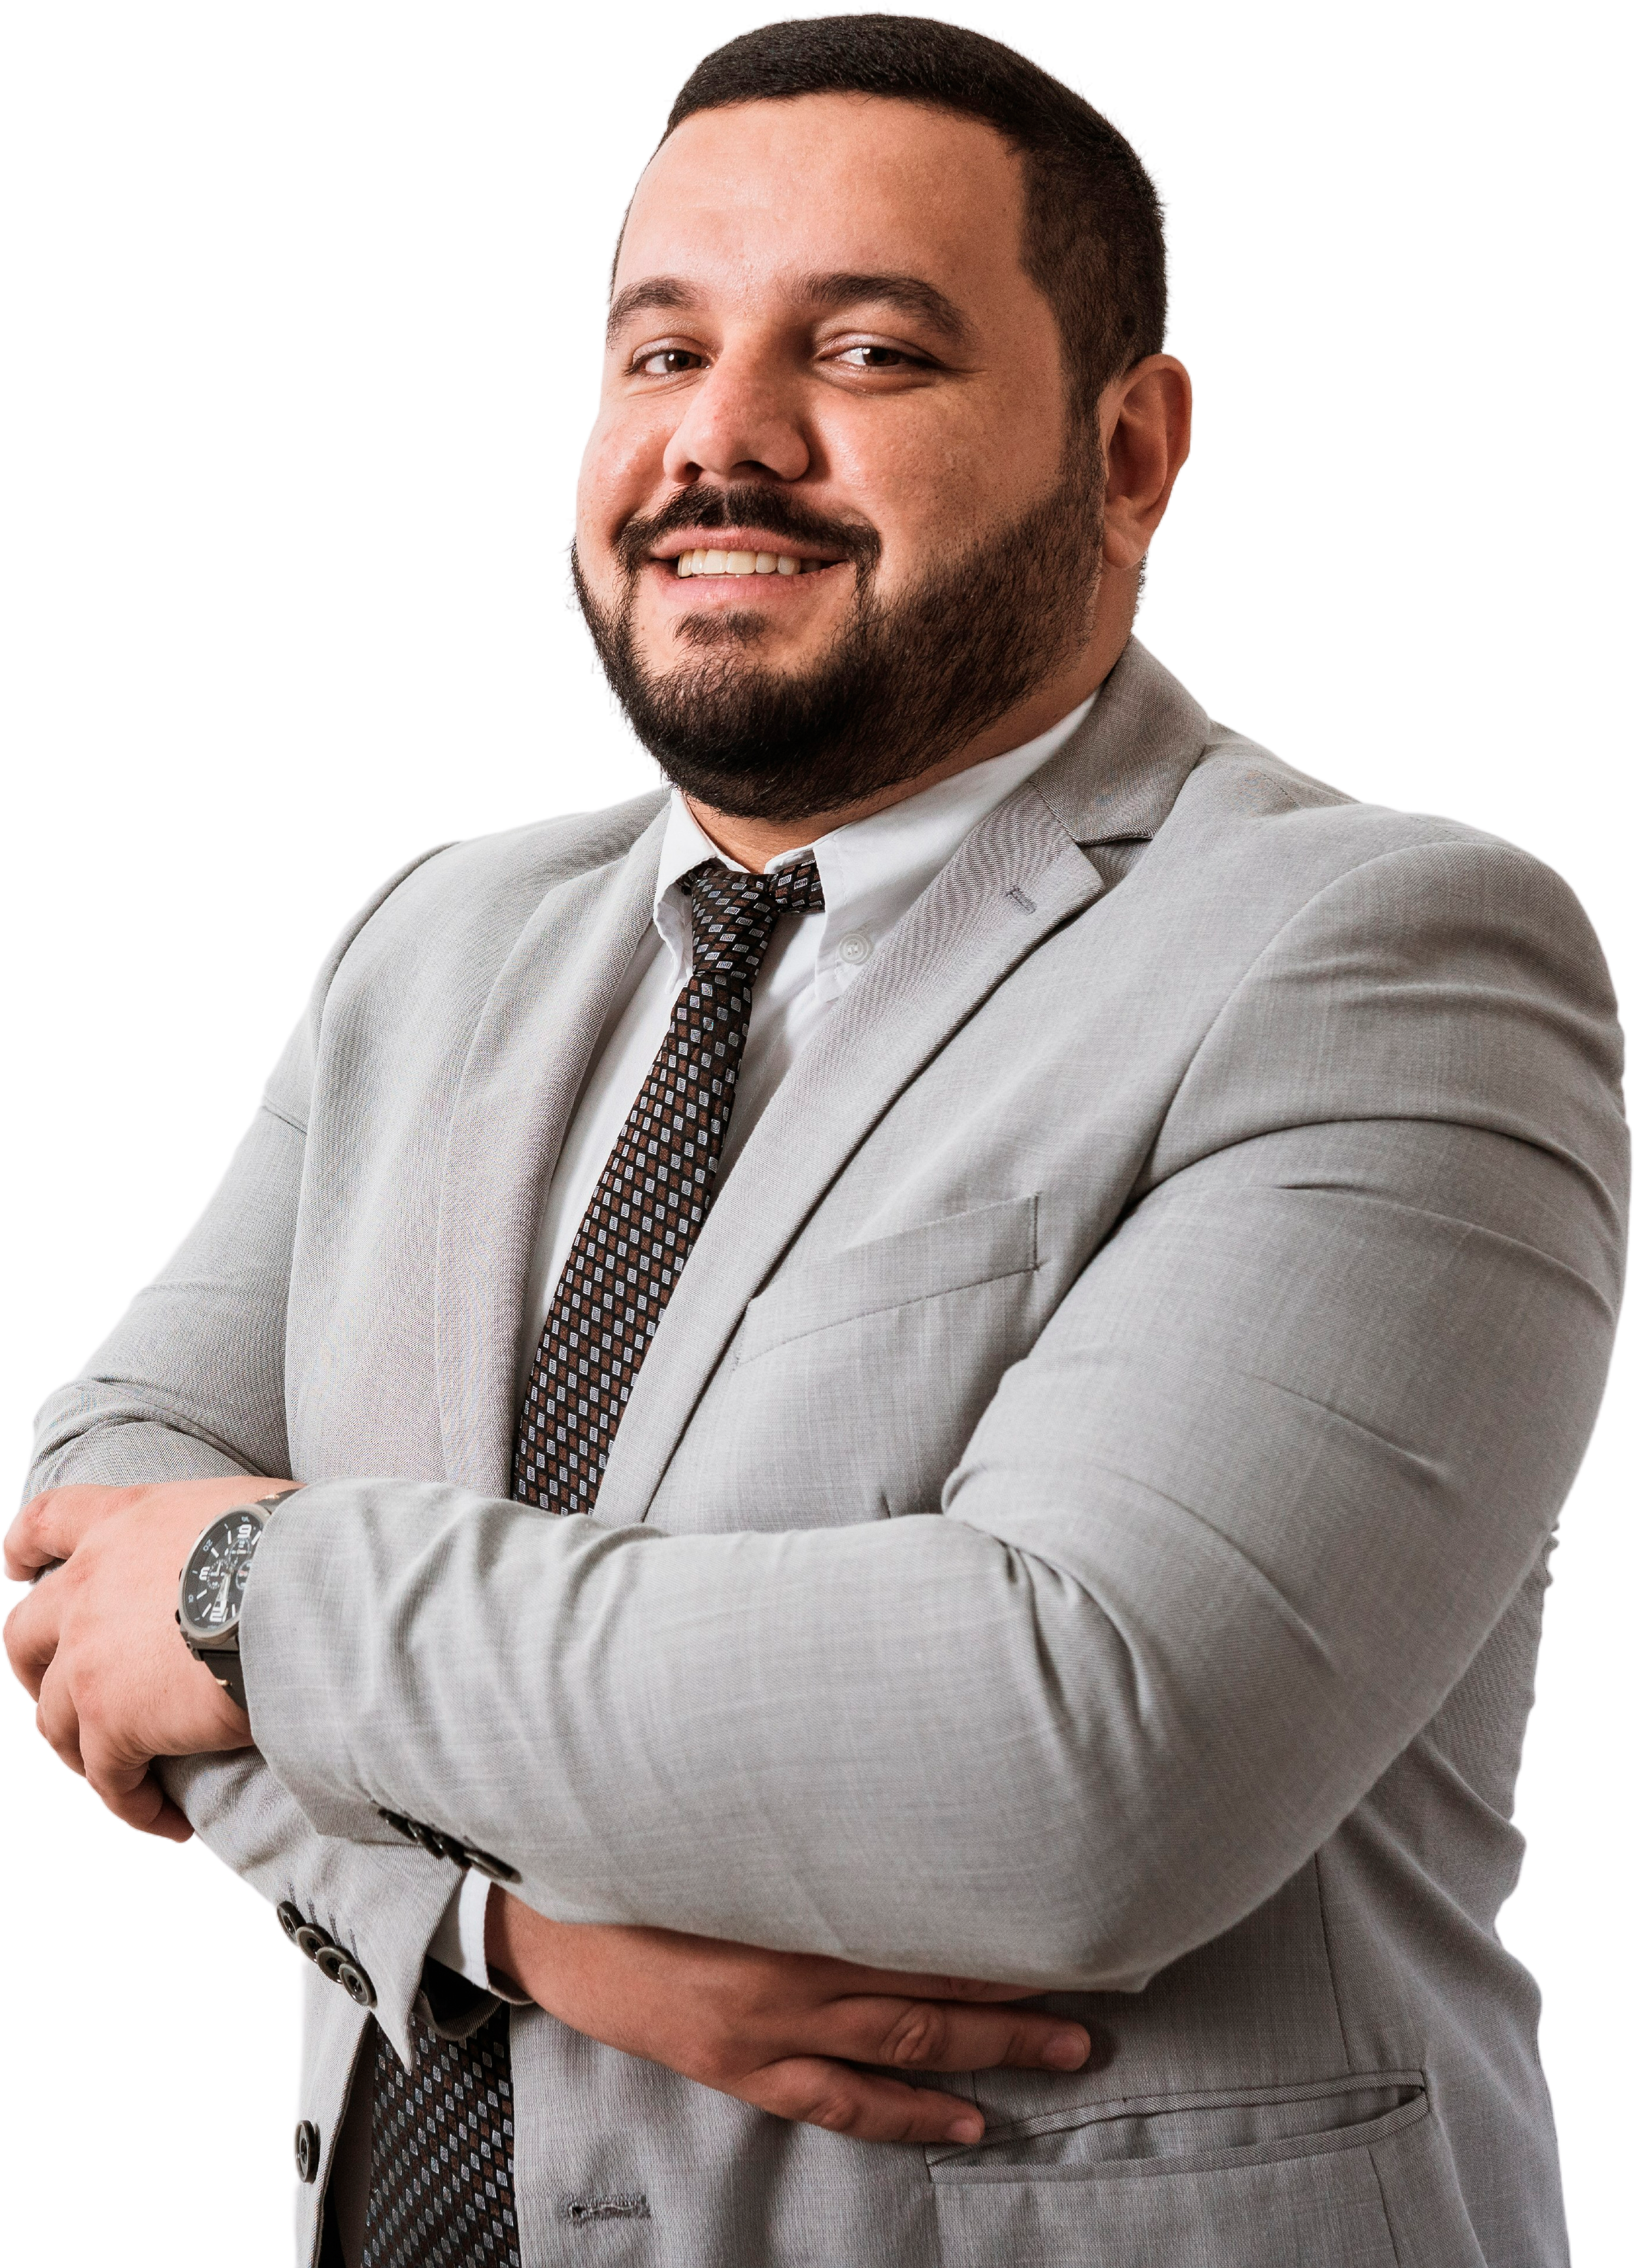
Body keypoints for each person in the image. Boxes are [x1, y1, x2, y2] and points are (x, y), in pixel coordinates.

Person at [5, 16, 1628, 2268]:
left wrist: (243, 1586)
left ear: (1131, 444)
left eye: (866, 351)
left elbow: (1067, 1757)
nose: (722, 442)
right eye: (658, 350)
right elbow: (80, 1521)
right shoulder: (439, 933)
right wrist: (493, 1925)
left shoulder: (1385, 957)